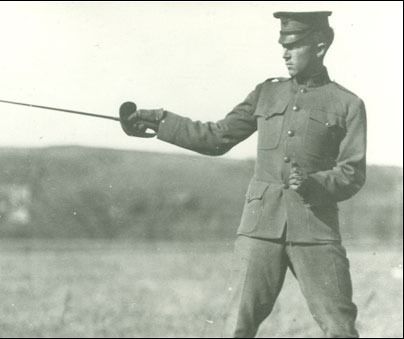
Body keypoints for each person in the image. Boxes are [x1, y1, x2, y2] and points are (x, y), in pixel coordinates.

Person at [124, 10, 366, 338]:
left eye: (294, 45)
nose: (285, 52)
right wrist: (158, 121)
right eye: (283, 44)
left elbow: (352, 173)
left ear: (320, 46)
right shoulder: (266, 93)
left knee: (340, 329)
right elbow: (215, 137)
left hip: (316, 231)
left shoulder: (347, 104)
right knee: (236, 329)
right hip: (259, 229)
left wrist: (314, 183)